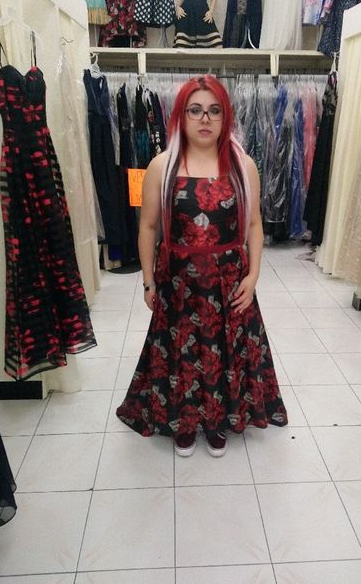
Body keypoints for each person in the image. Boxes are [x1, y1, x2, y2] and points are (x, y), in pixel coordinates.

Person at [116, 75, 288, 458]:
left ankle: (217, 420)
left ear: (226, 117)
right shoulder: (161, 166)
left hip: (229, 281)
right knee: (180, 351)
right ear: (181, 115)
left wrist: (254, 276)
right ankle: (183, 421)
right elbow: (147, 228)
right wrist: (148, 281)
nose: (205, 119)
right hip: (178, 281)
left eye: (214, 111)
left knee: (224, 350)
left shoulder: (243, 165)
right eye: (195, 110)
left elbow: (254, 225)